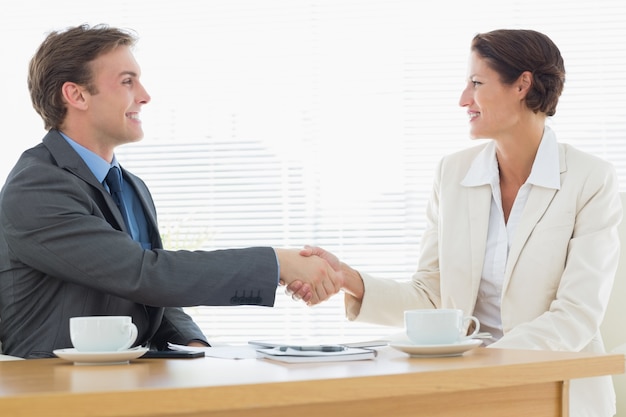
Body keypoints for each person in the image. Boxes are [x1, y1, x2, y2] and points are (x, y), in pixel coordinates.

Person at [293, 29, 622, 416]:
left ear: (522, 85)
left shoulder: (590, 178)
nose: (463, 99)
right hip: (466, 391)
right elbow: (433, 297)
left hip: (554, 392)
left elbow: (576, 315)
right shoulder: (453, 174)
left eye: (477, 83)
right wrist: (353, 281)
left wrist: (482, 365)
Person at [0, 24, 338, 359]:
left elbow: (144, 294)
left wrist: (191, 343)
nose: (145, 96)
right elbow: (142, 274)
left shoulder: (132, 187)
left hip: (125, 383)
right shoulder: (37, 187)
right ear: (77, 95)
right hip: (51, 392)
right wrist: (277, 264)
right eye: (127, 81)